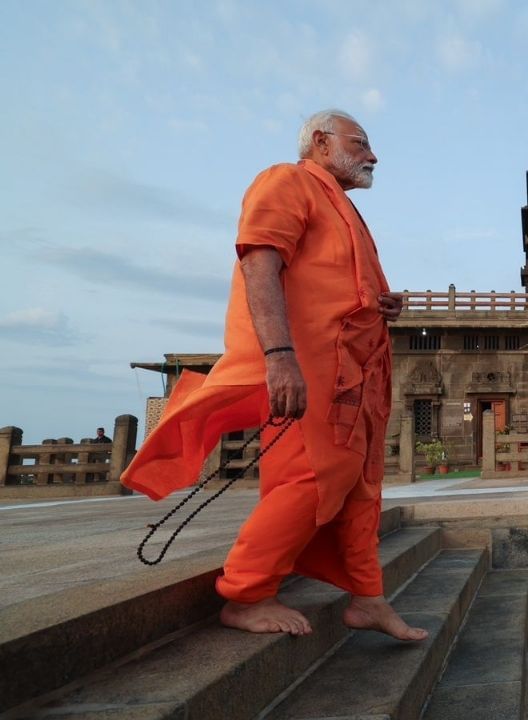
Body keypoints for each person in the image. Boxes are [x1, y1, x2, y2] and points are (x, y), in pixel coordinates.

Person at [122, 110, 426, 641]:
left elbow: (336, 286)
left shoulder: (344, 208)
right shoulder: (286, 181)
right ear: (321, 142)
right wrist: (278, 355)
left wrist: (380, 304)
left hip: (354, 376)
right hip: (307, 365)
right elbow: (259, 262)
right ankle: (246, 593)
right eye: (361, 143)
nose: (373, 155)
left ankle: (368, 597)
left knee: (360, 485)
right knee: (310, 479)